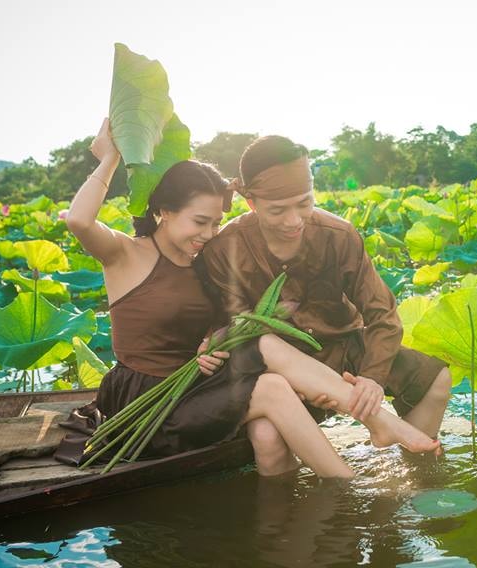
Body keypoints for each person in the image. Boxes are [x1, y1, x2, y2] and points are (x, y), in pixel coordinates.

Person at [65, 118, 353, 478]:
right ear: (163, 212)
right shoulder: (125, 255)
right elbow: (78, 221)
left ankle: (292, 508)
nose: (209, 233)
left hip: (196, 388)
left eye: (216, 222)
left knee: (269, 424)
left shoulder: (208, 262)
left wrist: (208, 344)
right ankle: (347, 485)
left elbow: (233, 325)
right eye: (199, 221)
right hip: (145, 406)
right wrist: (108, 158)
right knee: (274, 390)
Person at [198, 135, 452, 463]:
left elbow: (382, 314)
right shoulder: (225, 249)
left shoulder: (340, 235)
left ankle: (411, 473)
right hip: (275, 368)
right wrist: (301, 382)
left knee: (435, 380)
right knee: (267, 434)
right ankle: (294, 508)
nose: (294, 220)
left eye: (304, 203)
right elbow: (244, 335)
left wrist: (372, 379)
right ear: (252, 203)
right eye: (278, 210)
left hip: (344, 348)